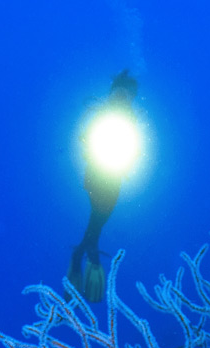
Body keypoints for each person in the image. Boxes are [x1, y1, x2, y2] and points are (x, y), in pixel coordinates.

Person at [67, 69, 139, 302]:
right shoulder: (101, 113)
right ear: (112, 93)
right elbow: (86, 138)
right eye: (119, 93)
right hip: (96, 176)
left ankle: (81, 258)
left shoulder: (130, 122)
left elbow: (135, 152)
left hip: (113, 177)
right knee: (97, 221)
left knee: (96, 224)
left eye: (126, 96)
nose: (122, 99)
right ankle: (87, 260)